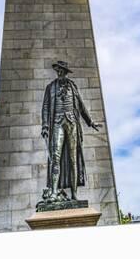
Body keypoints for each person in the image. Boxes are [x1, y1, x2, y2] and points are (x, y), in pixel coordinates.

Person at [41, 60, 100, 201]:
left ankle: (74, 194)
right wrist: (44, 125)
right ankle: (54, 192)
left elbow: (80, 105)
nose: (59, 72)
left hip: (72, 122)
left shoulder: (73, 86)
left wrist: (90, 121)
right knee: (55, 157)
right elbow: (45, 107)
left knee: (74, 159)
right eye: (58, 70)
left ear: (66, 72)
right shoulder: (50, 87)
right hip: (57, 122)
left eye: (62, 70)